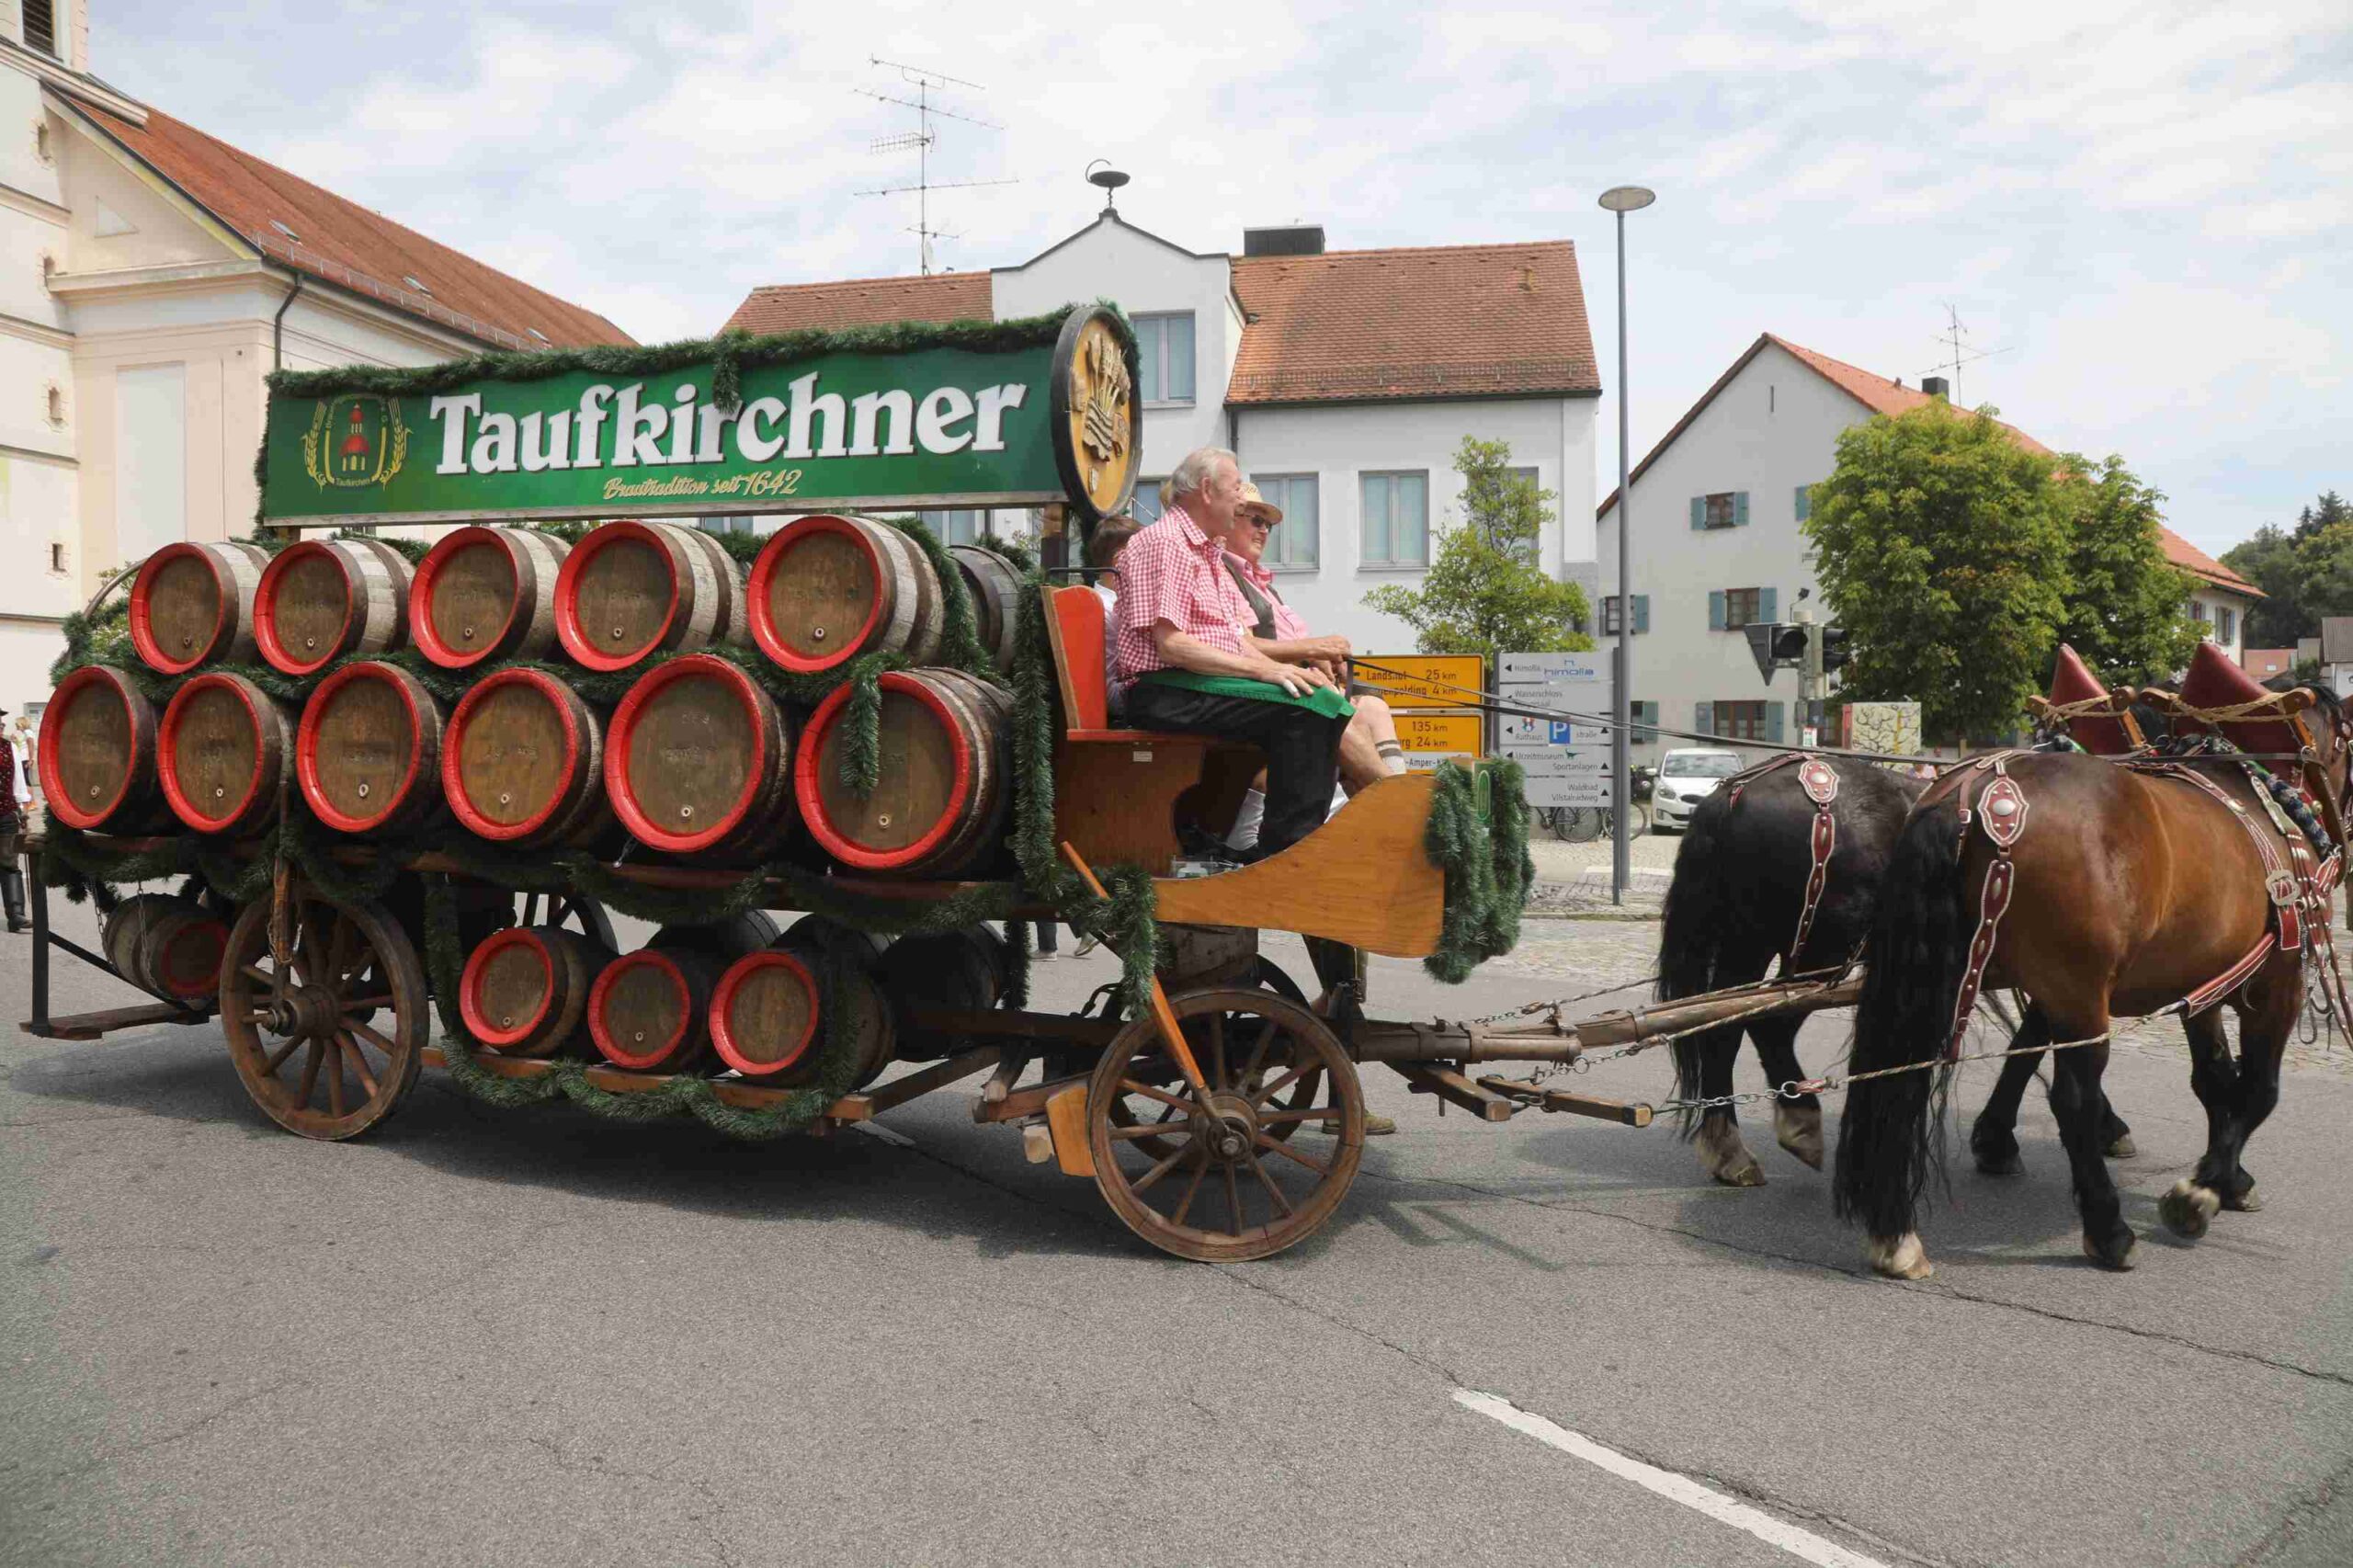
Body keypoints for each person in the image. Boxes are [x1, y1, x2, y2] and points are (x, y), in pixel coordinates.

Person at [1112, 448, 1349, 860]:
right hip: (1163, 688)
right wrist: (1266, 673)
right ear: (1207, 490)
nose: (1242, 499)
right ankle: (1289, 853)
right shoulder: (1165, 543)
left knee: (1325, 701)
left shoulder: (1207, 551)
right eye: (1237, 487)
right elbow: (1172, 644)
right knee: (1309, 710)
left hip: (1193, 682)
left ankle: (1282, 845)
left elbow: (1233, 639)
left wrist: (1285, 669)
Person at [1222, 484, 1409, 791]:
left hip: (1296, 682)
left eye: (1268, 525)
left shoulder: (1263, 585)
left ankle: (1388, 799)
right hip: (1267, 688)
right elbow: (1239, 644)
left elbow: (1292, 646)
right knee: (1339, 712)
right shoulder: (1223, 574)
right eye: (1256, 521)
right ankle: (1396, 798)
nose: (1264, 531)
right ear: (1229, 520)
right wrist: (1312, 650)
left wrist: (1326, 657)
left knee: (1372, 705)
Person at [1086, 517, 1142, 718]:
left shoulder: (1109, 603)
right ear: (1120, 561)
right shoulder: (1105, 609)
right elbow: (1107, 695)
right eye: (1145, 555)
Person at [0, 708, 26, 934]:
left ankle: (16, 914)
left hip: (6, 813)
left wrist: (22, 808)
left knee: (9, 864)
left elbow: (18, 781)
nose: (1, 725)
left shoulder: (10, 748)